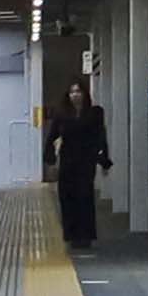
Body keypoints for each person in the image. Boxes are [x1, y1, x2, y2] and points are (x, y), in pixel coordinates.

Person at [47, 90, 110, 245]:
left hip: (86, 162)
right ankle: (72, 235)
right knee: (67, 197)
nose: (75, 95)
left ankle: (85, 235)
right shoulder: (62, 115)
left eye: (78, 91)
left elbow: (100, 136)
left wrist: (104, 160)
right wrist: (50, 160)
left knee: (85, 197)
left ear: (84, 94)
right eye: (72, 92)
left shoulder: (94, 113)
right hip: (67, 162)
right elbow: (52, 136)